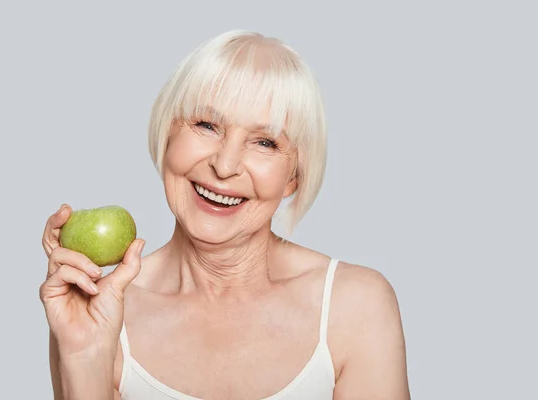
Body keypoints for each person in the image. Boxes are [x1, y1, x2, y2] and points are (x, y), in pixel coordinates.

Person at [39, 30, 410, 400]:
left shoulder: (355, 306)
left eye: (265, 142)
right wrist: (85, 357)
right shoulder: (101, 312)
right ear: (168, 135)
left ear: (293, 177)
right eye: (206, 125)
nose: (225, 165)